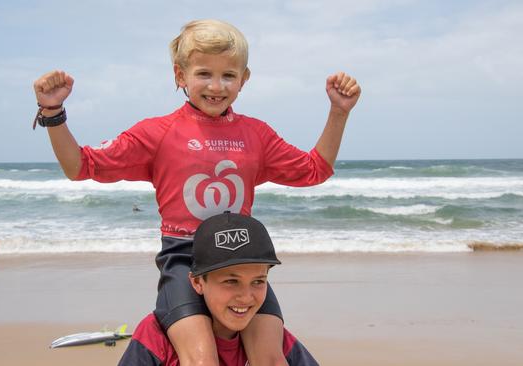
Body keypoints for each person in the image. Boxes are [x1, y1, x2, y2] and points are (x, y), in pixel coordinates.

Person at [33, 19, 360, 365]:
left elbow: (314, 170)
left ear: (244, 79)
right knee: (201, 360)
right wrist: (53, 113)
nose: (216, 86)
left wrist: (339, 112)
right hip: (183, 257)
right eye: (204, 74)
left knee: (270, 358)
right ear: (180, 75)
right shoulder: (157, 133)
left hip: (241, 260)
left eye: (229, 76)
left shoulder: (256, 135)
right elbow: (80, 166)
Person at [118, 212, 319, 365]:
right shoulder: (156, 336)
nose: (246, 297)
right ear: (197, 282)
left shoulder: (274, 340)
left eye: (258, 281)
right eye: (231, 281)